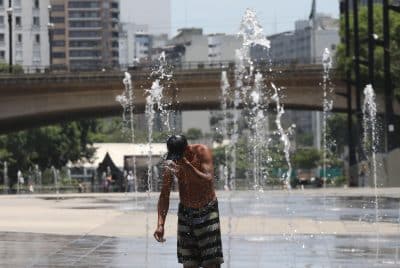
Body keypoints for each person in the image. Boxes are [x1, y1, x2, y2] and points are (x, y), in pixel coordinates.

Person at [154, 135, 224, 267]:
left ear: (187, 149)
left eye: (179, 155)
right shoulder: (171, 162)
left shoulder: (201, 151)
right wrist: (160, 224)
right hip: (186, 212)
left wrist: (187, 165)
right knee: (189, 263)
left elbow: (208, 178)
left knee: (212, 263)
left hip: (208, 210)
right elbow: (164, 195)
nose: (176, 160)